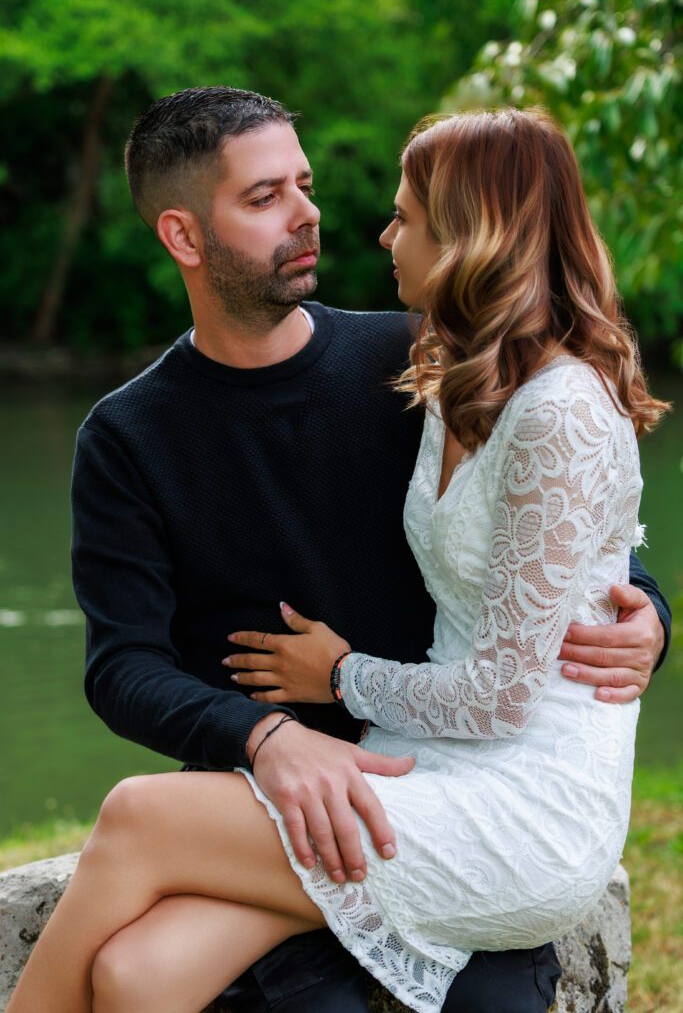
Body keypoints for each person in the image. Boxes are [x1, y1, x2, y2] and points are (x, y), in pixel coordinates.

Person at [7, 90, 670, 1013]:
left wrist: (651, 619)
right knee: (137, 974)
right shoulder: (126, 438)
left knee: (130, 818)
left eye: (305, 184)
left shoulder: (420, 362)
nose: (312, 213)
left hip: (454, 780)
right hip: (291, 782)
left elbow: (569, 549)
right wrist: (263, 735)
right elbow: (122, 666)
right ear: (184, 236)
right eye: (265, 195)